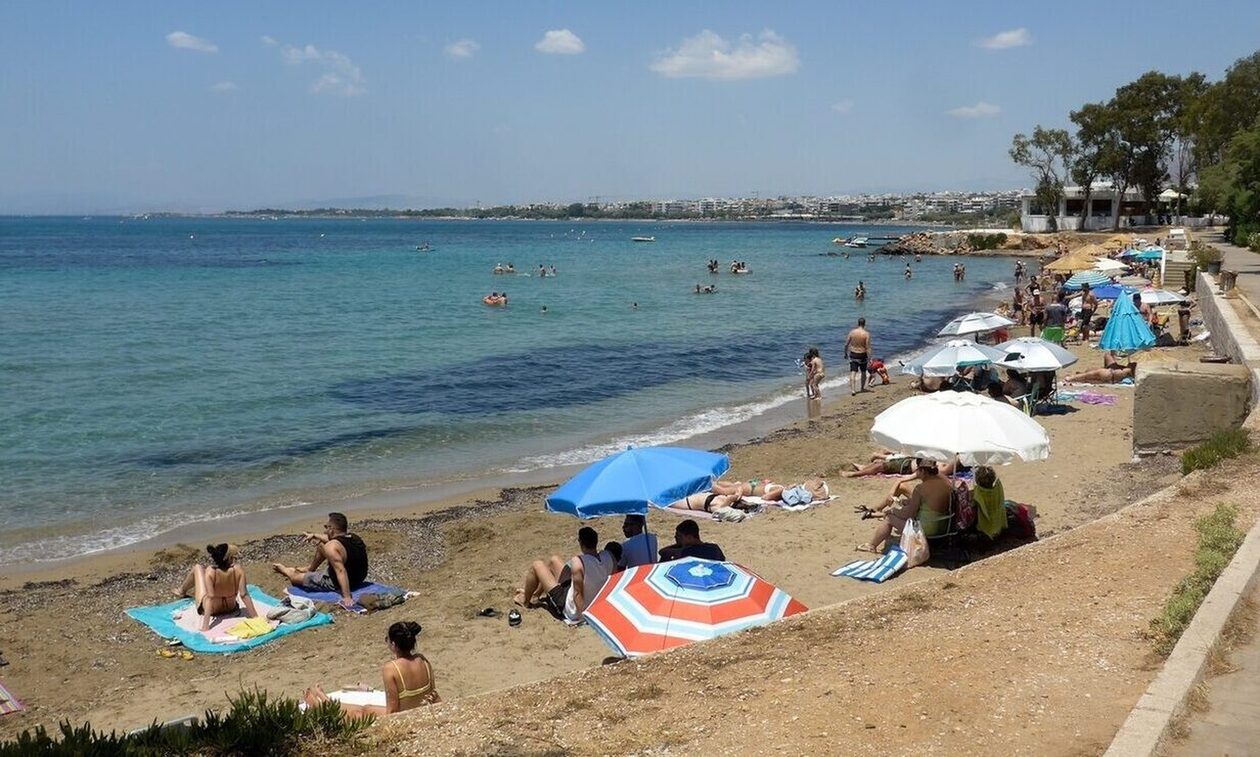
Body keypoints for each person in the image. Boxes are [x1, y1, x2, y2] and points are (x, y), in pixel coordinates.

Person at [303, 621, 439, 718]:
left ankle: (322, 706)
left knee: (361, 712)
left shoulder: (391, 668)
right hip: (422, 712)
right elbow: (433, 694)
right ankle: (324, 700)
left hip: (406, 717)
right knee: (365, 709)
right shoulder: (423, 660)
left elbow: (392, 710)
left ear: (393, 644)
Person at [513, 526, 614, 623]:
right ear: (596, 541)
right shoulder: (609, 556)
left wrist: (584, 616)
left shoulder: (579, 561)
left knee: (537, 565)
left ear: (581, 543)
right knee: (554, 560)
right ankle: (536, 595)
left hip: (569, 606)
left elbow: (577, 594)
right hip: (589, 596)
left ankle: (525, 601)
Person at [272, 513, 369, 610]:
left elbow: (340, 571)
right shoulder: (354, 537)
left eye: (326, 527)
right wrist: (314, 535)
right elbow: (329, 539)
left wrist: (347, 596)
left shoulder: (331, 547)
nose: (325, 530)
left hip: (341, 581)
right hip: (359, 577)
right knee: (322, 545)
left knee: (296, 578)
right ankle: (310, 569)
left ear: (331, 529)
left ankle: (284, 570)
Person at [856, 460, 952, 552]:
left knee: (889, 518)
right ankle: (878, 513)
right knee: (903, 508)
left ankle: (871, 546)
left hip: (928, 533)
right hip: (946, 528)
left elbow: (909, 515)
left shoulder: (920, 489)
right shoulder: (946, 483)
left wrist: (892, 511)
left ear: (922, 471)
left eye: (918, 470)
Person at [175, 543, 260, 632]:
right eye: (233, 557)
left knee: (198, 568)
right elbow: (244, 594)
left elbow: (210, 597)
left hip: (213, 610)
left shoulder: (210, 571)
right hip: (231, 608)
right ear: (229, 558)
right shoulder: (238, 570)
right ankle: (181, 590)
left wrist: (205, 626)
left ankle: (181, 590)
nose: (234, 558)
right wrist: (256, 618)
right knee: (208, 578)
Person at [660, 519, 725, 561]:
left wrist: (679, 544)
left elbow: (662, 552)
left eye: (679, 536)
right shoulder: (715, 548)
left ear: (689, 537)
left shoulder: (684, 552)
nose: (675, 538)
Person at [972, 466, 1007, 544]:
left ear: (978, 481)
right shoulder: (998, 487)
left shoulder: (978, 492)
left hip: (984, 524)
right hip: (998, 520)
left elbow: (973, 505)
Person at [842, 450, 917, 478]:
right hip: (907, 462)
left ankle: (854, 474)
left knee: (880, 466)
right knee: (879, 463)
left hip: (906, 467)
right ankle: (863, 468)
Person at [845, 317, 871, 396]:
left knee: (853, 372)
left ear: (858, 323)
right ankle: (862, 388)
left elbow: (846, 344)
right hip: (862, 354)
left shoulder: (852, 332)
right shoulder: (866, 334)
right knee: (863, 372)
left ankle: (853, 390)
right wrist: (870, 357)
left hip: (853, 354)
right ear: (864, 324)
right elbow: (868, 347)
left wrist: (845, 353)